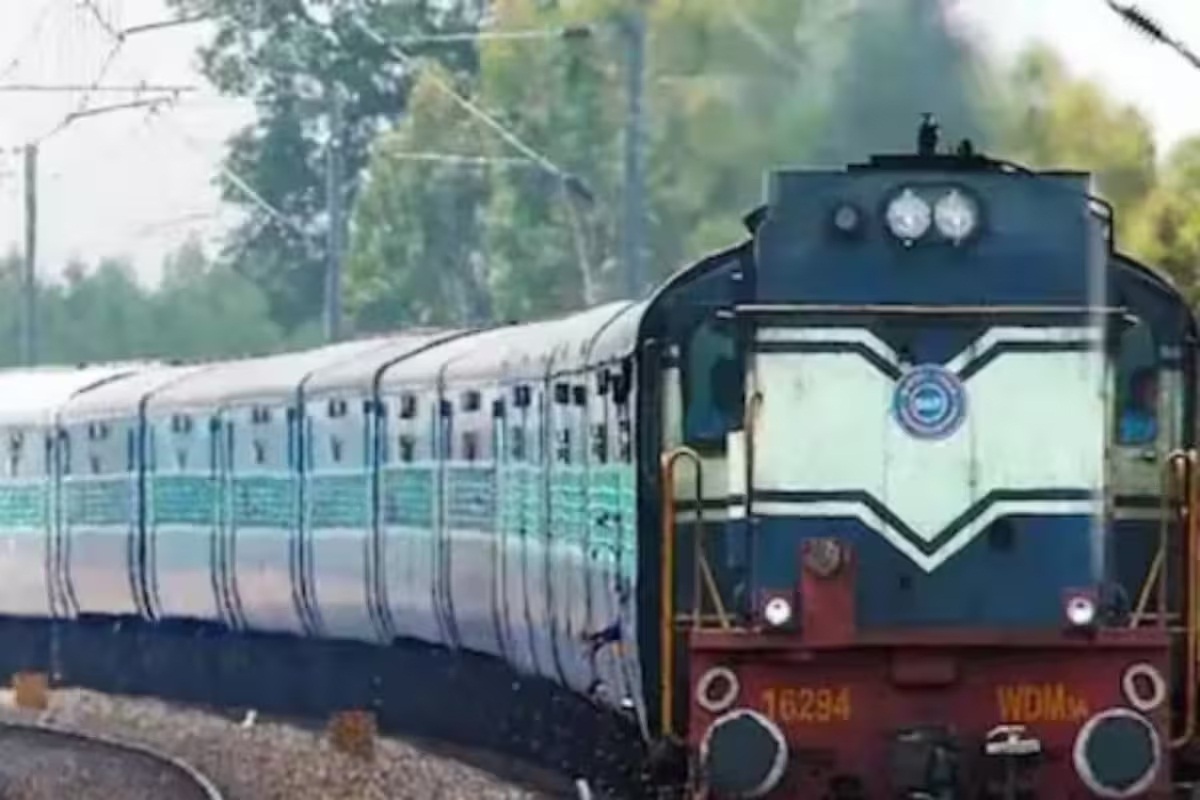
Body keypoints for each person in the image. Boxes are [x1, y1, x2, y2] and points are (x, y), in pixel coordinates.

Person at [1119, 368, 1158, 445]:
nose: (1156, 396)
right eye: (1151, 391)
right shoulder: (1128, 419)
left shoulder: (1161, 417)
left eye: (1155, 391)